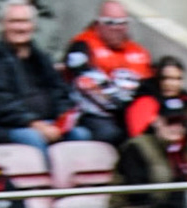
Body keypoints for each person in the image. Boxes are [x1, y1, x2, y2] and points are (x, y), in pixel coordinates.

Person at [0, 2, 88, 154]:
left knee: (81, 134)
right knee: (34, 138)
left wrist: (62, 120)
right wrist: (35, 124)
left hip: (48, 122)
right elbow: (0, 104)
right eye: (14, 22)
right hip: (10, 127)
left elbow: (60, 92)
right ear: (2, 25)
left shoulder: (41, 57)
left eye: (25, 22)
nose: (20, 28)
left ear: (34, 25)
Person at [64, 0, 153, 146]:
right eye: (110, 22)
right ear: (98, 23)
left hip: (132, 113)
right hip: (93, 114)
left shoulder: (139, 51)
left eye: (122, 23)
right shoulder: (82, 44)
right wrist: (122, 103)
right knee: (116, 135)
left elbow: (150, 88)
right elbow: (86, 83)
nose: (117, 28)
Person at [125, 56, 187, 152]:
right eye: (166, 78)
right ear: (158, 79)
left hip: (186, 155)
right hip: (153, 155)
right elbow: (138, 140)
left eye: (177, 79)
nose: (171, 84)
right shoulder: (145, 103)